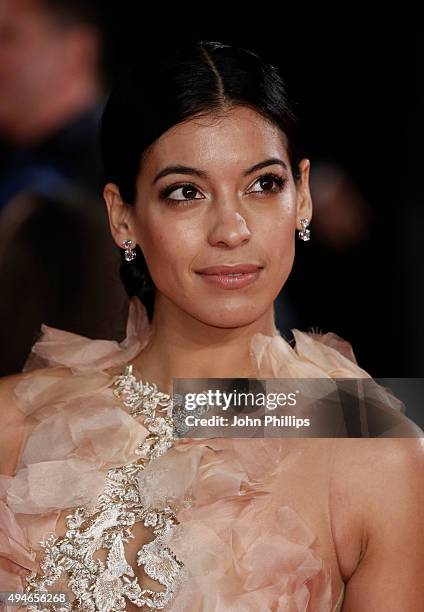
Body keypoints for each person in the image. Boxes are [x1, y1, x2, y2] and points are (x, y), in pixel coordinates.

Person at [0, 40, 423, 612]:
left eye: (264, 185)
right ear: (121, 215)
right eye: (186, 193)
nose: (232, 229)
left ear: (302, 196)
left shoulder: (375, 455)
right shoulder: (16, 424)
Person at [0, 0, 127, 375]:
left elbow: (278, 407)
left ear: (78, 52)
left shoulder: (139, 164)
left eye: (7, 37)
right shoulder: (20, 167)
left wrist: (133, 419)